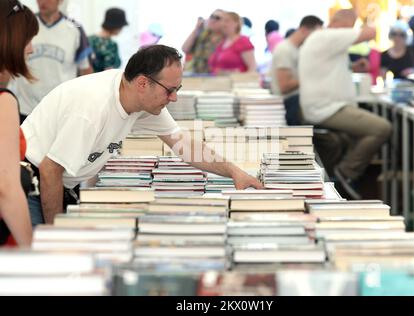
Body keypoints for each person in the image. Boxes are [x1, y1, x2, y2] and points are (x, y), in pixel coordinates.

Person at [21, 45, 263, 226]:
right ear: (142, 83)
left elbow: (184, 145)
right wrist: (55, 236)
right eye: (170, 91)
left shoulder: (142, 101)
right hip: (33, 185)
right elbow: (50, 169)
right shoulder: (92, 109)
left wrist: (234, 171)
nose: (174, 98)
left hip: (61, 186)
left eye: (177, 90)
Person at [299, 9, 392, 199]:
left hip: (326, 106)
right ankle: (346, 173)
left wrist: (352, 68)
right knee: (381, 128)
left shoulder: (323, 39)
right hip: (327, 108)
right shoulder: (327, 36)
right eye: (350, 26)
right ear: (337, 22)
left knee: (360, 135)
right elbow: (370, 32)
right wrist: (372, 16)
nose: (350, 31)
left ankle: (346, 173)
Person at [11, 0, 93, 123]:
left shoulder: (75, 28)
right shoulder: (24, 24)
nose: (42, 2)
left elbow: (86, 71)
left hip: (62, 110)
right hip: (26, 108)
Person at [0, 0, 38, 246]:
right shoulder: (4, 101)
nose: (31, 49)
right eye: (28, 39)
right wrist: (30, 253)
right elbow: (6, 187)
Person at [270, 15, 324, 125]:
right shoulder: (284, 50)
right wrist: (311, 76)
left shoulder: (299, 50)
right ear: (304, 30)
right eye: (316, 35)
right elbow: (284, 86)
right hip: (289, 103)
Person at [182, 9, 225, 74]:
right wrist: (196, 28)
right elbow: (185, 48)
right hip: (198, 77)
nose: (213, 20)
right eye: (211, 16)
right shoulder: (202, 36)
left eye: (217, 18)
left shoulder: (227, 39)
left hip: (217, 78)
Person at [89, 8, 128, 73]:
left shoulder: (88, 40)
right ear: (116, 25)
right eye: (121, 27)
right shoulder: (111, 45)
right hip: (102, 81)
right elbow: (109, 72)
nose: (121, 29)